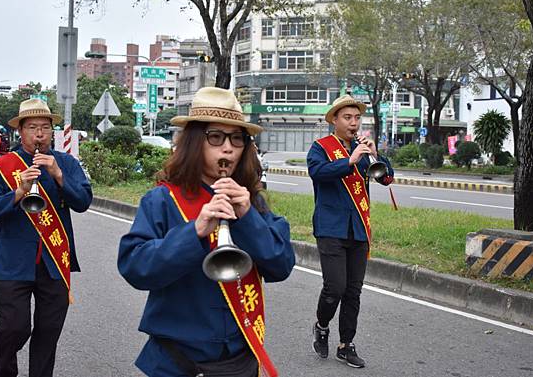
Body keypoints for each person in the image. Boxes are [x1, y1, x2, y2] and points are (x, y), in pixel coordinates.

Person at [118, 87, 295, 377]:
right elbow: (134, 266)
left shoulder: (251, 201)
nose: (228, 148)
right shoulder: (163, 199)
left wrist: (248, 217)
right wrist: (195, 231)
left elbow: (281, 265)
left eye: (237, 139)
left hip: (239, 360)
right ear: (193, 142)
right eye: (215, 137)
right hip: (175, 361)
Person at [0, 98, 93, 377]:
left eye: (45, 127)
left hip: (55, 261)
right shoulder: (3, 165)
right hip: (14, 262)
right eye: (32, 127)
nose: (39, 134)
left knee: (48, 332)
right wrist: (18, 192)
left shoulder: (66, 163)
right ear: (21, 131)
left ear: (53, 131)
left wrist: (58, 175)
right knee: (14, 327)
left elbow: (83, 201)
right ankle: (4, 368)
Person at [308, 95, 394, 369]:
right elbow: (317, 172)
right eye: (347, 118)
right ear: (334, 120)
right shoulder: (320, 147)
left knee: (353, 292)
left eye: (357, 118)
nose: (353, 123)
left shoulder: (362, 149)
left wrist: (375, 155)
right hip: (330, 228)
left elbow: (386, 179)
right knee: (335, 287)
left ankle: (346, 345)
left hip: (358, 229)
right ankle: (322, 326)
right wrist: (349, 161)